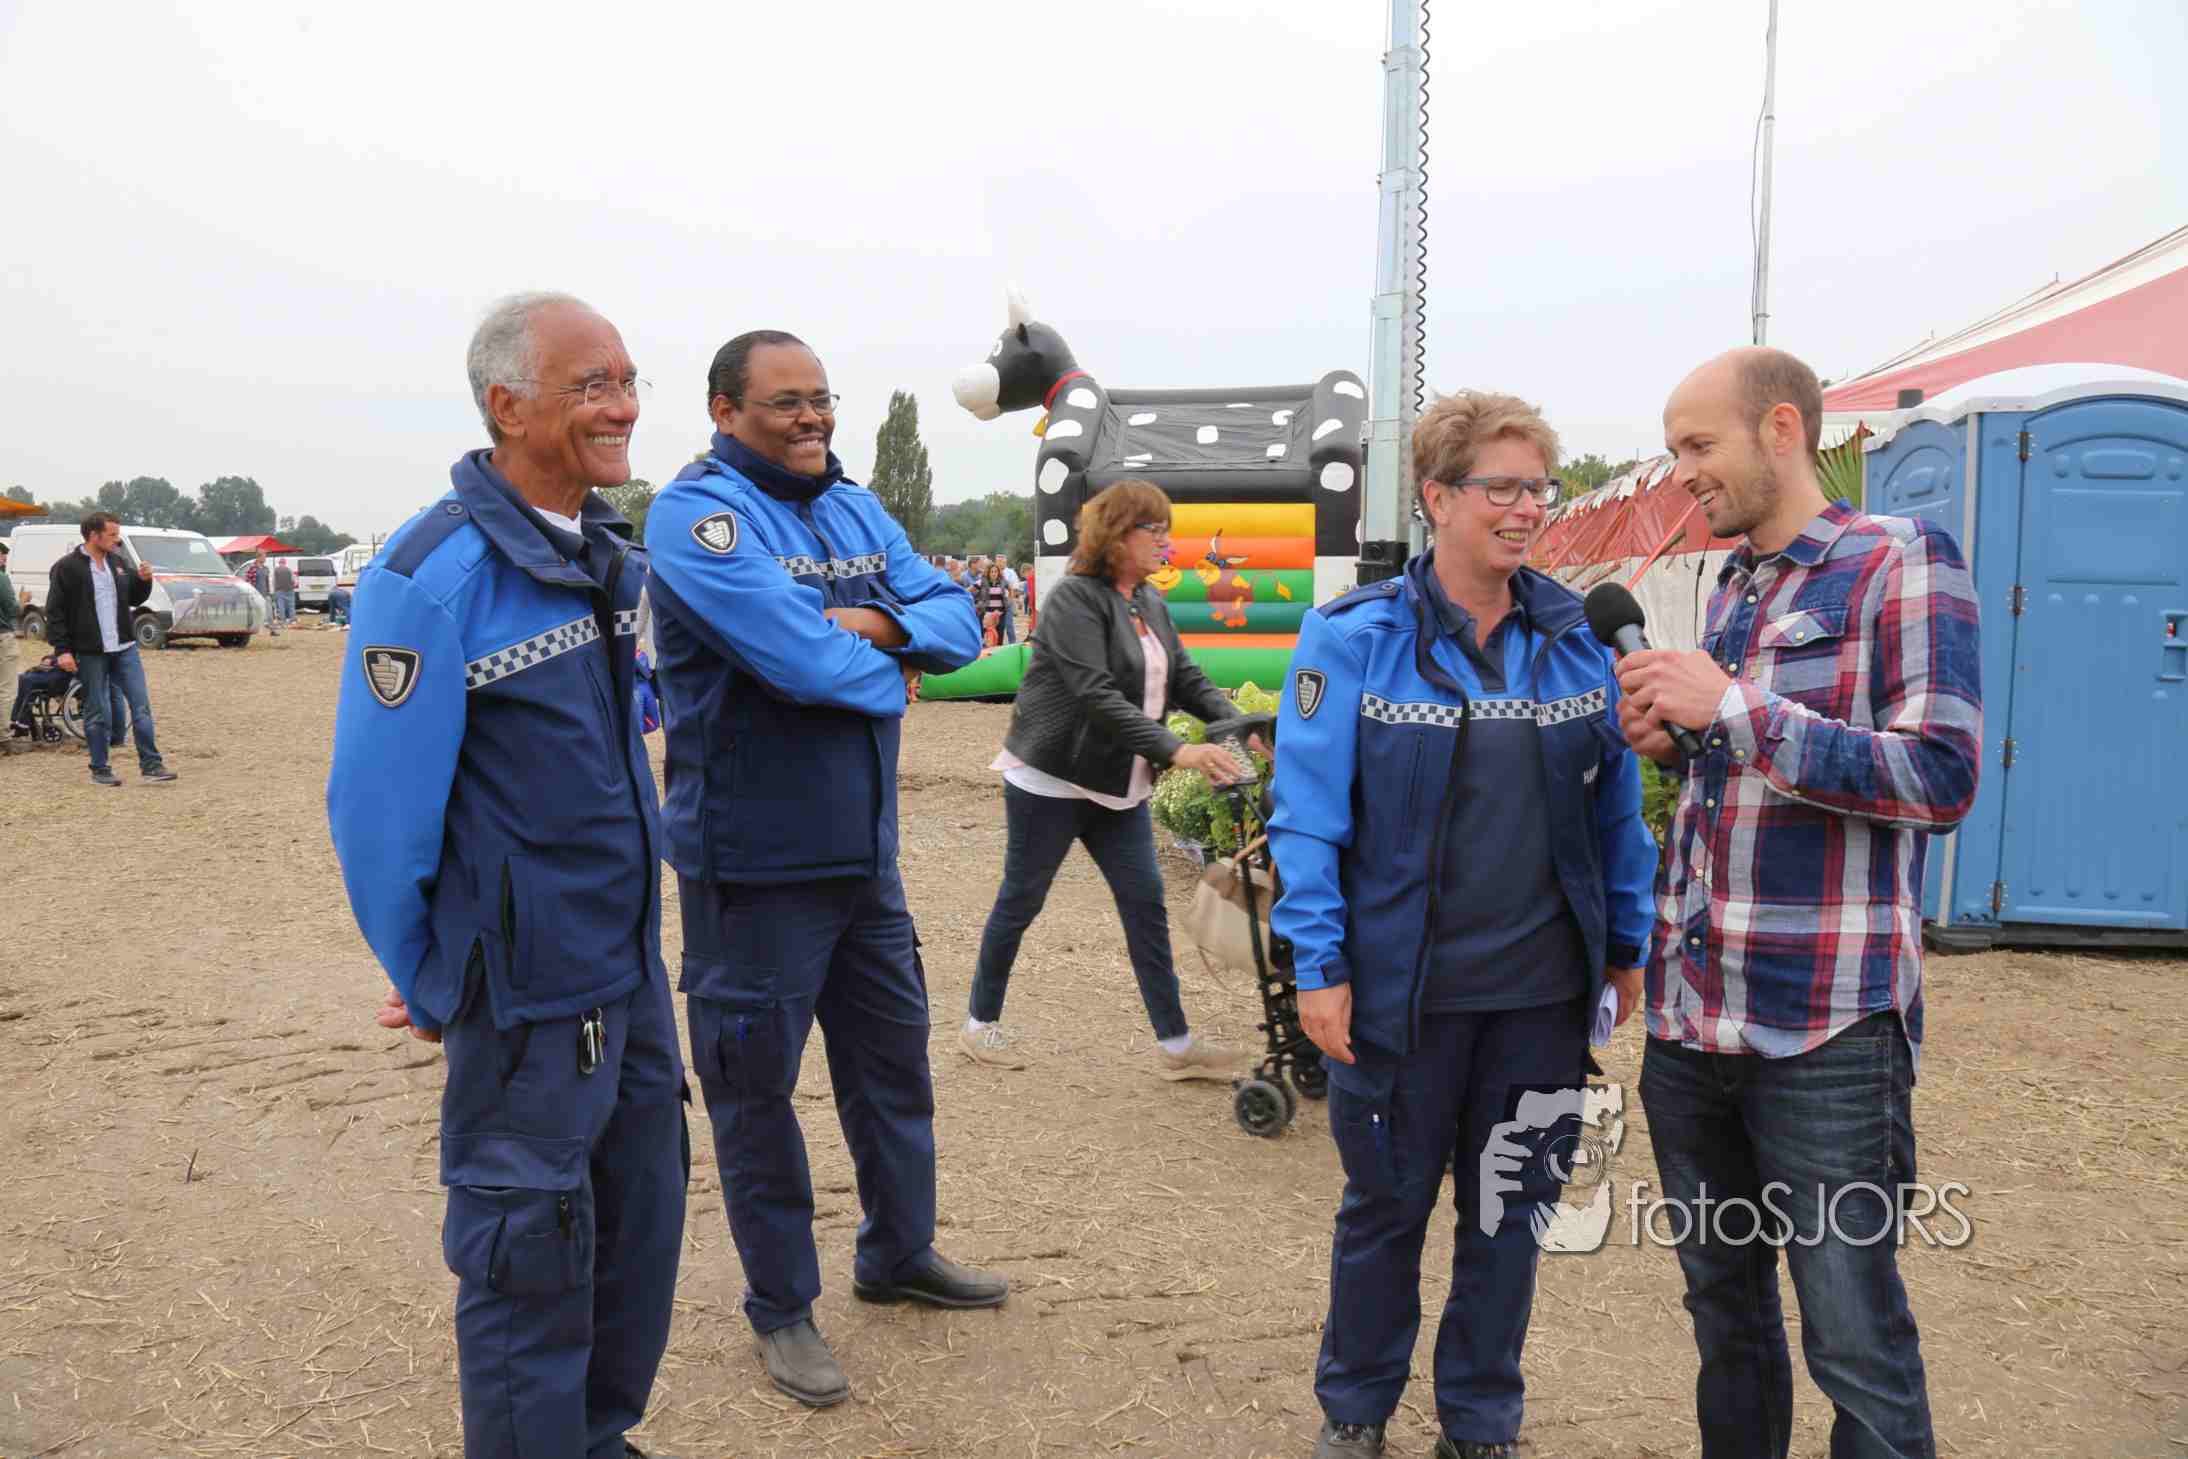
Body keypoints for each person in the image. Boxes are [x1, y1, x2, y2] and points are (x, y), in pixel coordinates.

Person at [326, 292, 687, 1459]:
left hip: (627, 973)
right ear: (508, 405)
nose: (622, 406)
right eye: (592, 385)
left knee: (639, 1226)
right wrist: (436, 977)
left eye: (627, 380)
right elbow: (377, 818)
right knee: (528, 1255)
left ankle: (595, 1436)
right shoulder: (430, 579)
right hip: (525, 999)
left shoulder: (604, 556)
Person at [1268, 393, 1658, 1459]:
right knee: (1384, 1211)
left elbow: (1617, 811)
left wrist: (1627, 943)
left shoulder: (1577, 640)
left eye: (1540, 488)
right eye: (1503, 487)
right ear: (1437, 497)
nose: (1528, 508)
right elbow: (1305, 816)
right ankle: (1356, 1409)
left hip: (1540, 999)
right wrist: (1319, 963)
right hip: (1402, 997)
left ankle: (1481, 1421)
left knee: (1510, 1214)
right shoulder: (1353, 637)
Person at [1615, 348, 1981, 1459]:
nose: (1683, 471)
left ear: (1781, 429)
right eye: (1673, 450)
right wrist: (1678, 743)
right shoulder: (1733, 583)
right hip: (1693, 1026)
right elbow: (1751, 770)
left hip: (1825, 1032)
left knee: (1854, 1339)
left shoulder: (1899, 558)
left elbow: (1939, 776)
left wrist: (1732, 708)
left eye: (1698, 445)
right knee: (1725, 1323)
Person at [644, 328, 1001, 1411]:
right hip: (752, 867)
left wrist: (871, 624)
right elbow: (797, 661)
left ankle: (897, 1253)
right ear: (724, 410)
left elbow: (960, 625)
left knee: (893, 1070)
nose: (812, 418)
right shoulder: (696, 516)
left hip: (863, 861)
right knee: (756, 1094)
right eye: (785, 401)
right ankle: (781, 1304)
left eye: (821, 397)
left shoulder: (855, 506)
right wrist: (892, 662)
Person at [960, 479, 1256, 1078]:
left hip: (1118, 784)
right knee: (1021, 901)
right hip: (1053, 780)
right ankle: (978, 1026)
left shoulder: (1147, 600)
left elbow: (1185, 677)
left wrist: (1238, 725)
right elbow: (1095, 695)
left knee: (1145, 905)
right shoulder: (1073, 599)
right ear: (1116, 535)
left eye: (1166, 530)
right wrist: (1178, 750)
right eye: (1154, 530)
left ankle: (1176, 1047)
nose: (1165, 542)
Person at [44, 513, 175, 786]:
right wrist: (62, 650)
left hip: (125, 648)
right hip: (90, 651)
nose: (117, 540)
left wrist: (144, 580)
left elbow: (134, 597)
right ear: (94, 535)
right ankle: (100, 769)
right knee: (97, 711)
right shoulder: (66, 568)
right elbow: (55, 612)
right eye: (112, 534)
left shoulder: (117, 562)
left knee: (141, 707)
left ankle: (152, 766)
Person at [0, 541, 19, 730]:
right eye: (3, 556)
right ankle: (3, 736)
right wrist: (22, 601)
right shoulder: (2, 579)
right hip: (2, 636)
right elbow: (12, 609)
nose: (5, 560)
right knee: (6, 688)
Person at [976, 559, 1012, 646]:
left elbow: (1011, 589)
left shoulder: (1003, 581)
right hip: (987, 613)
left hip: (1000, 613)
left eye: (996, 571)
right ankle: (986, 651)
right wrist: (974, 603)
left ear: (998, 572)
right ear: (988, 573)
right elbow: (969, 590)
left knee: (999, 634)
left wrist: (1009, 600)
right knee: (987, 635)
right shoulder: (982, 581)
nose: (994, 573)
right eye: (991, 571)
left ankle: (999, 651)